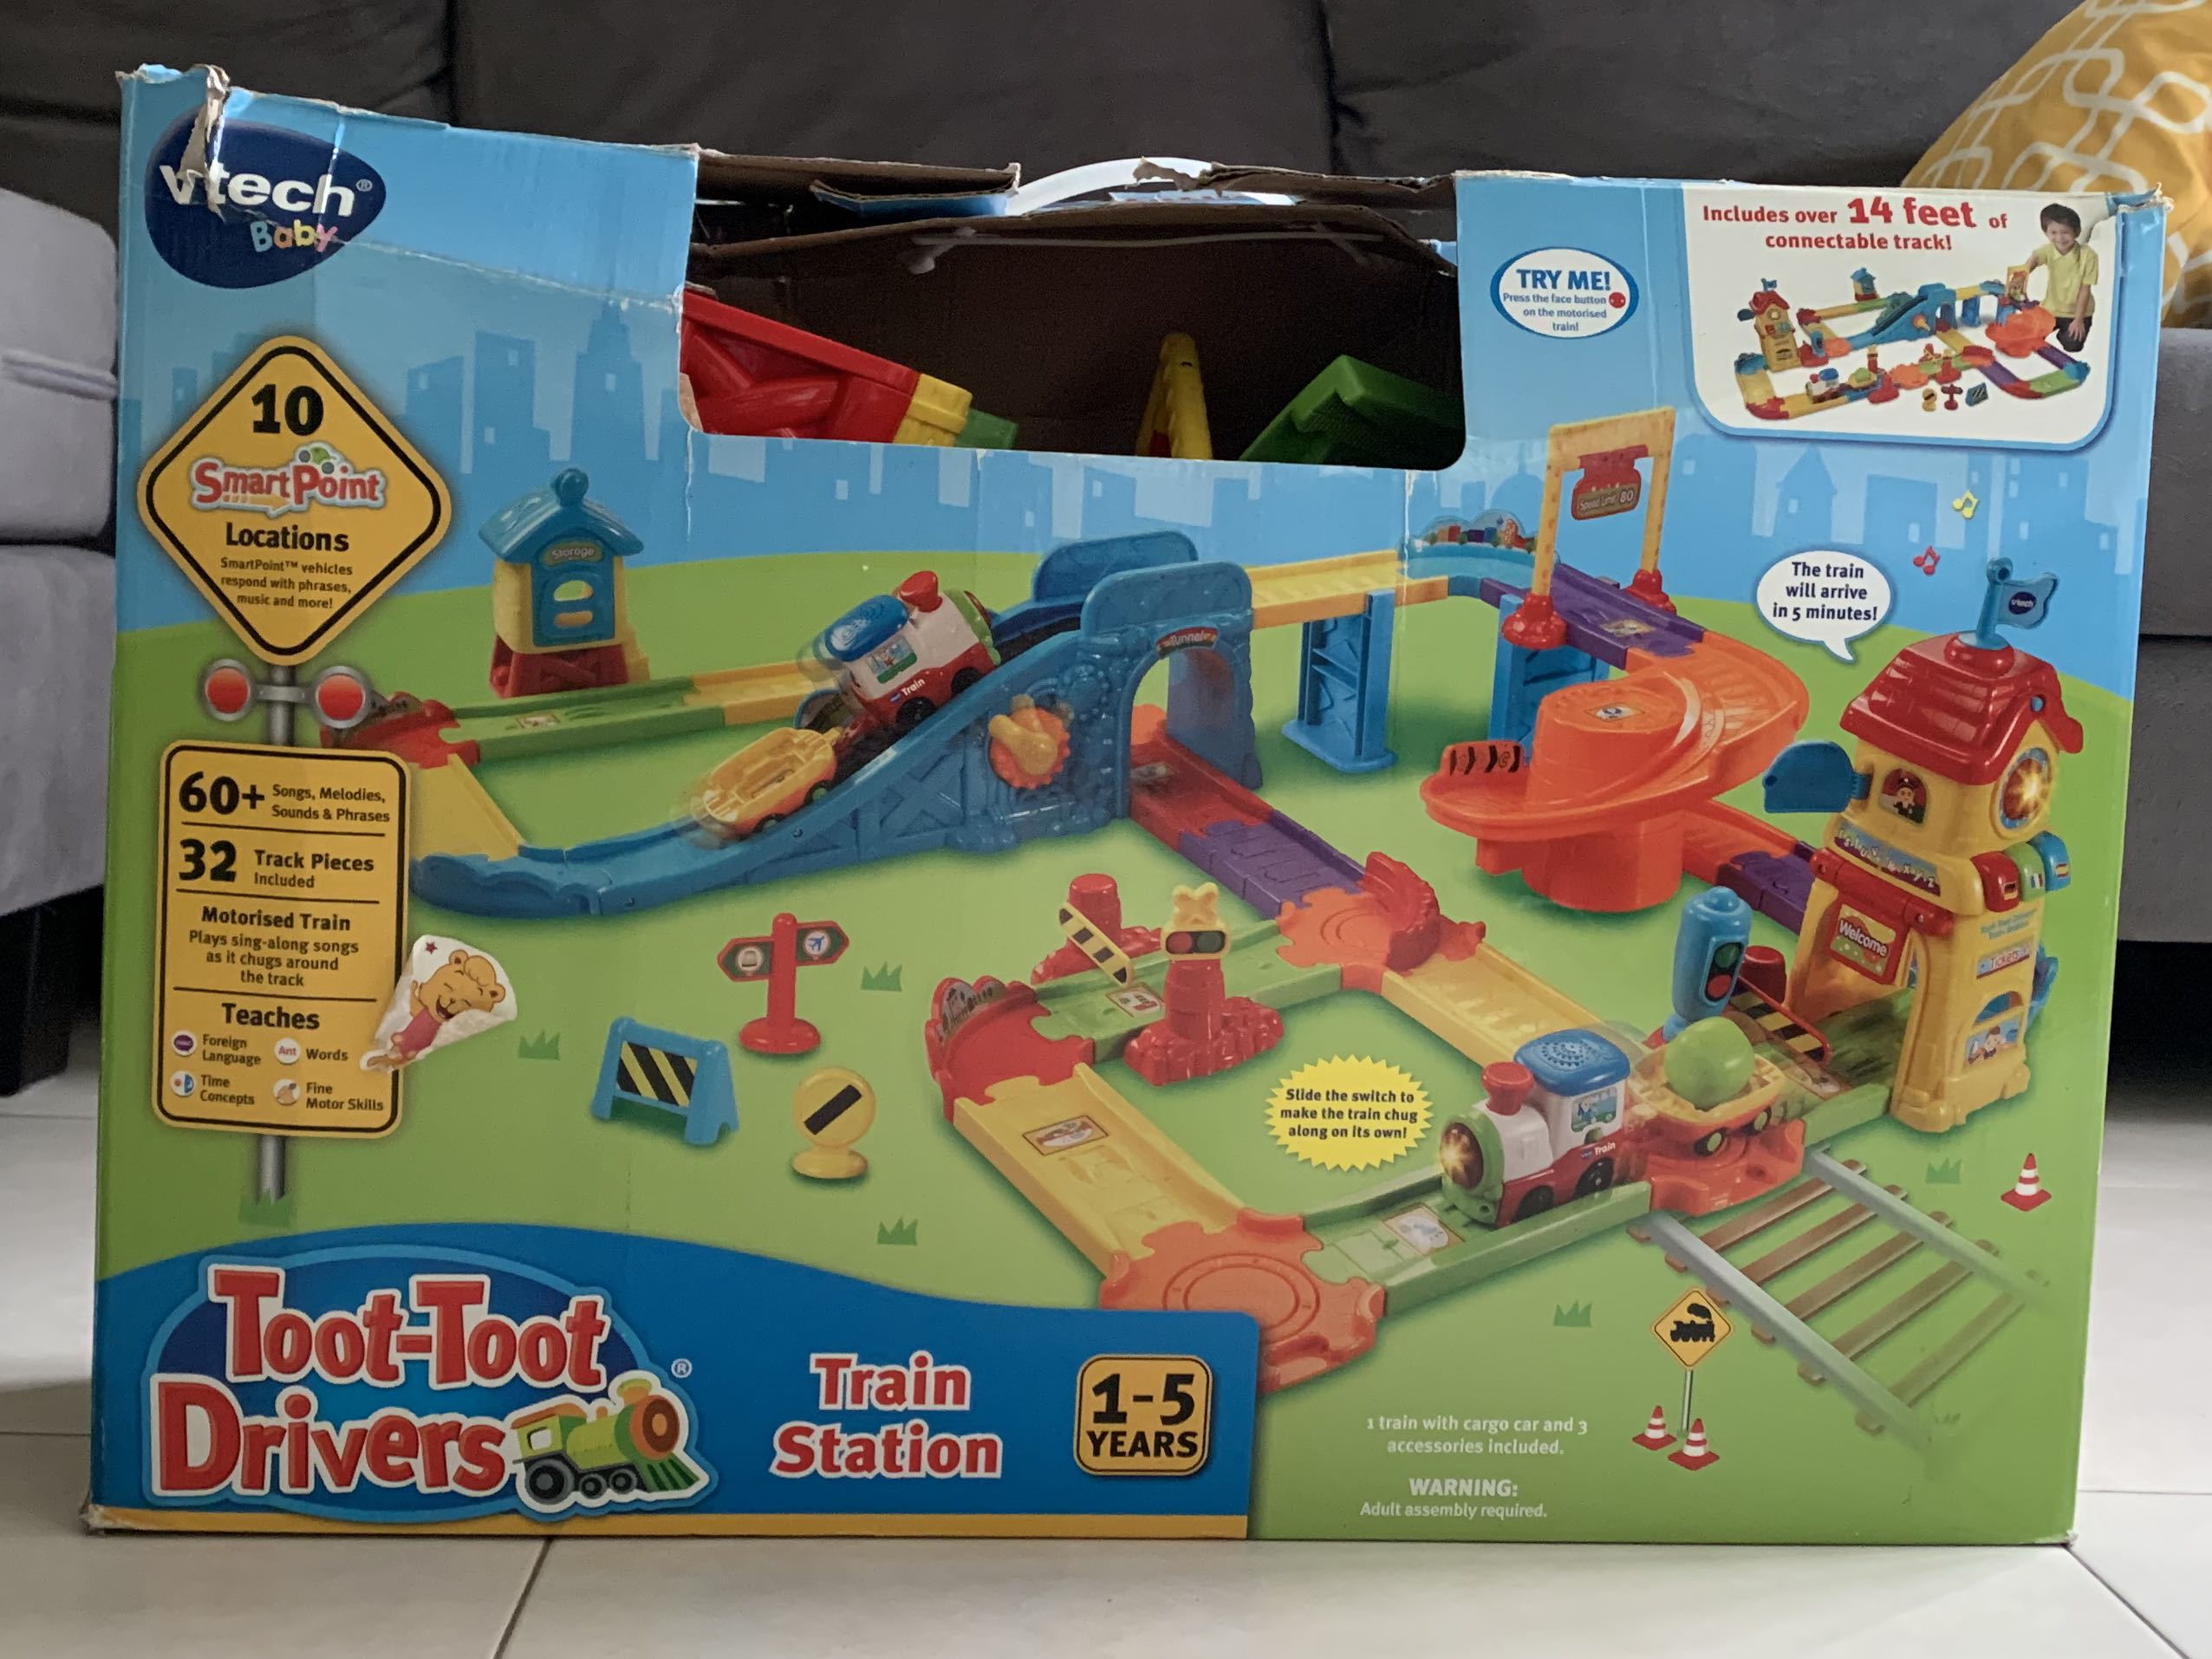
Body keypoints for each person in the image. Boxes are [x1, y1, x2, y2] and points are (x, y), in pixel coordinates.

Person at [2026, 203, 2098, 351]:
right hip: (2051, 309)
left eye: (2065, 232)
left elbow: (2085, 290)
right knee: (2029, 339)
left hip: (2077, 312)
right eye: (2053, 232)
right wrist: (2020, 278)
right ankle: (2040, 311)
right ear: (2046, 233)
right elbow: (2032, 262)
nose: (2059, 238)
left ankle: (2064, 332)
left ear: (2077, 232)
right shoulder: (2048, 250)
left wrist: (2078, 320)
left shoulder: (2088, 255)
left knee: (2073, 345)